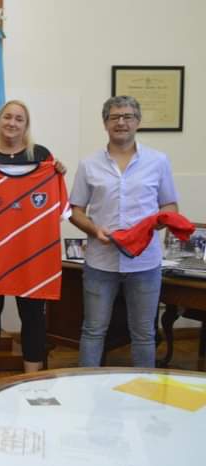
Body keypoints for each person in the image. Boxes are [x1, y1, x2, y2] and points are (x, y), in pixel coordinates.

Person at [70, 96, 178, 368]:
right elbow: (75, 210)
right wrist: (94, 229)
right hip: (100, 261)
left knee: (144, 334)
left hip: (145, 263)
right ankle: (86, 385)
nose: (121, 122)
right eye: (114, 117)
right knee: (93, 331)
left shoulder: (158, 161)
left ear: (137, 122)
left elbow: (169, 205)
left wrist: (155, 223)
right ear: (105, 123)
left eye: (128, 116)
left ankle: (142, 389)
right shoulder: (88, 164)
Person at [0, 100, 66, 385]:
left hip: (32, 253)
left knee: (33, 316)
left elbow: (59, 206)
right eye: (7, 117)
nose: (12, 123)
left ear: (26, 125)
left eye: (19, 119)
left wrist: (57, 172)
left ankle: (31, 376)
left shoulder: (43, 157)